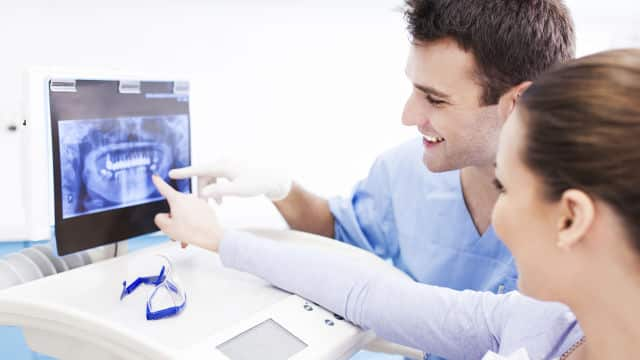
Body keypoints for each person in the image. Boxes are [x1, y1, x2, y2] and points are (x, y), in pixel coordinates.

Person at [153, 48, 640, 359]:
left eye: (508, 190)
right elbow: (370, 292)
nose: (411, 116)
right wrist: (221, 238)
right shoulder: (540, 323)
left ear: (571, 217)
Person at [169, 0, 575, 304]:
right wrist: (283, 188)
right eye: (414, 89)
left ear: (519, 102)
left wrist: (225, 241)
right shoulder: (405, 171)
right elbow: (340, 235)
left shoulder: (592, 216)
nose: (408, 116)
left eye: (435, 100)